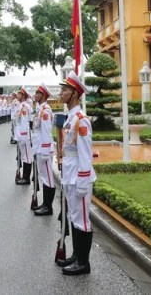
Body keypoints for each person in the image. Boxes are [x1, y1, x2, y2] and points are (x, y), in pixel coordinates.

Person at [56, 71, 95, 276]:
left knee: (82, 221)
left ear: (74, 94)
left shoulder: (82, 120)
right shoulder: (70, 118)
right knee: (73, 216)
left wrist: (82, 180)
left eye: (65, 89)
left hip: (79, 177)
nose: (61, 92)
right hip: (69, 175)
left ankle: (83, 263)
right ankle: (76, 255)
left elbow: (85, 154)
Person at [32, 83, 55, 216]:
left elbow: (46, 131)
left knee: (48, 178)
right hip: (39, 147)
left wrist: (46, 150)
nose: (35, 95)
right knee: (44, 176)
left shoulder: (45, 110)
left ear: (43, 95)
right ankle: (45, 204)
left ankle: (48, 207)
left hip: (44, 148)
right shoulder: (40, 109)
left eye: (37, 93)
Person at [14, 87, 32, 185]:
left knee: (26, 157)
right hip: (20, 134)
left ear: (23, 96)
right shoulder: (21, 105)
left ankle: (26, 178)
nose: (17, 95)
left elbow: (25, 123)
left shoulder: (24, 106)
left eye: (19, 94)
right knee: (25, 156)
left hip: (23, 135)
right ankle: (24, 177)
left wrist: (24, 137)